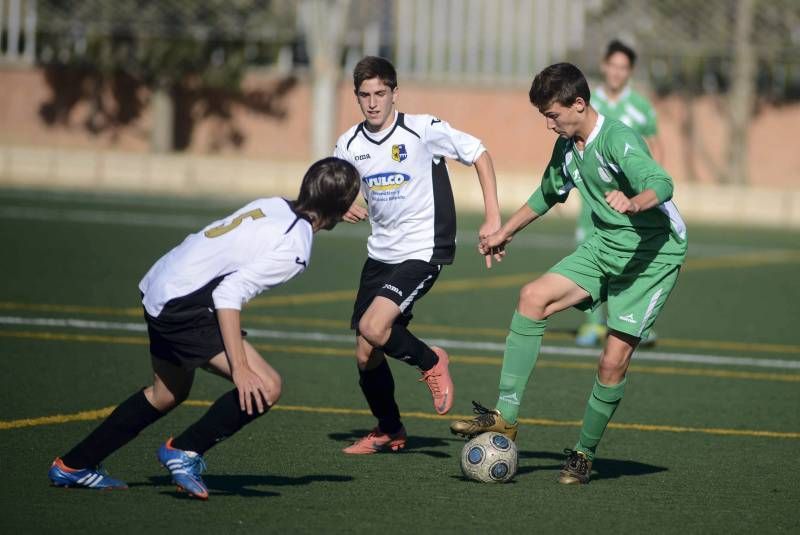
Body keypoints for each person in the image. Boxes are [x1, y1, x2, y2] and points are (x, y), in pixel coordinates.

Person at [47, 157, 361, 499]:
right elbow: (227, 293)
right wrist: (239, 368)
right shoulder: (296, 249)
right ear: (341, 206)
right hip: (183, 306)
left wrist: (331, 210)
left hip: (161, 284)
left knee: (166, 394)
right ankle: (185, 451)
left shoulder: (273, 205)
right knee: (267, 386)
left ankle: (74, 465)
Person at [450, 63, 687, 485]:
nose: (548, 124)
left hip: (652, 257)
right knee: (531, 298)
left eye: (553, 115)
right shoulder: (567, 146)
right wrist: (503, 231)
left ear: (579, 104)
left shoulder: (618, 139)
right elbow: (546, 194)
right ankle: (505, 417)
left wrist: (635, 203)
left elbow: (662, 183)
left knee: (611, 363)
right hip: (606, 245)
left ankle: (583, 453)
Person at [333, 56, 501, 454]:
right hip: (381, 253)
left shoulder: (422, 129)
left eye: (380, 93)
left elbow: (479, 153)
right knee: (364, 350)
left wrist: (493, 216)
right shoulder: (348, 144)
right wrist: (338, 205)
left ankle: (431, 361)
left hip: (424, 248)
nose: (373, 103)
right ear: (356, 97)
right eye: (364, 95)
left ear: (394, 92)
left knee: (374, 327)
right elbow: (330, 186)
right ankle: (389, 429)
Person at [575, 39, 664, 347]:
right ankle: (592, 324)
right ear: (604, 66)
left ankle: (633, 320)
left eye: (623, 67)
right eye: (612, 65)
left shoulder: (640, 108)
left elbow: (654, 147)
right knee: (591, 255)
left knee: (632, 260)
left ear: (630, 71)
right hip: (594, 198)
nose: (616, 72)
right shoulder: (585, 101)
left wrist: (653, 187)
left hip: (631, 201)